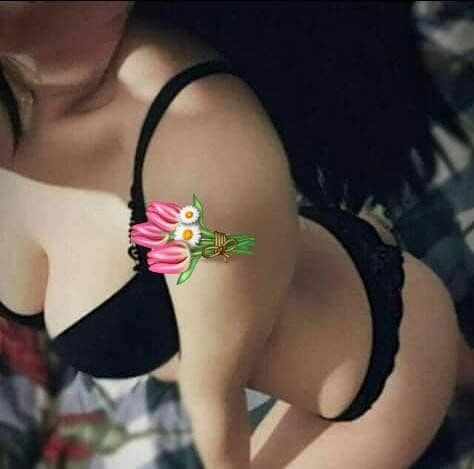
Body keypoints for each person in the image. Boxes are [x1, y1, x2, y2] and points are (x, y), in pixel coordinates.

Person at [0, 2, 467, 468]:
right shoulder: (29, 90)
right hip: (320, 279)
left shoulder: (194, 143)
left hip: (382, 373)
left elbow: (216, 406)